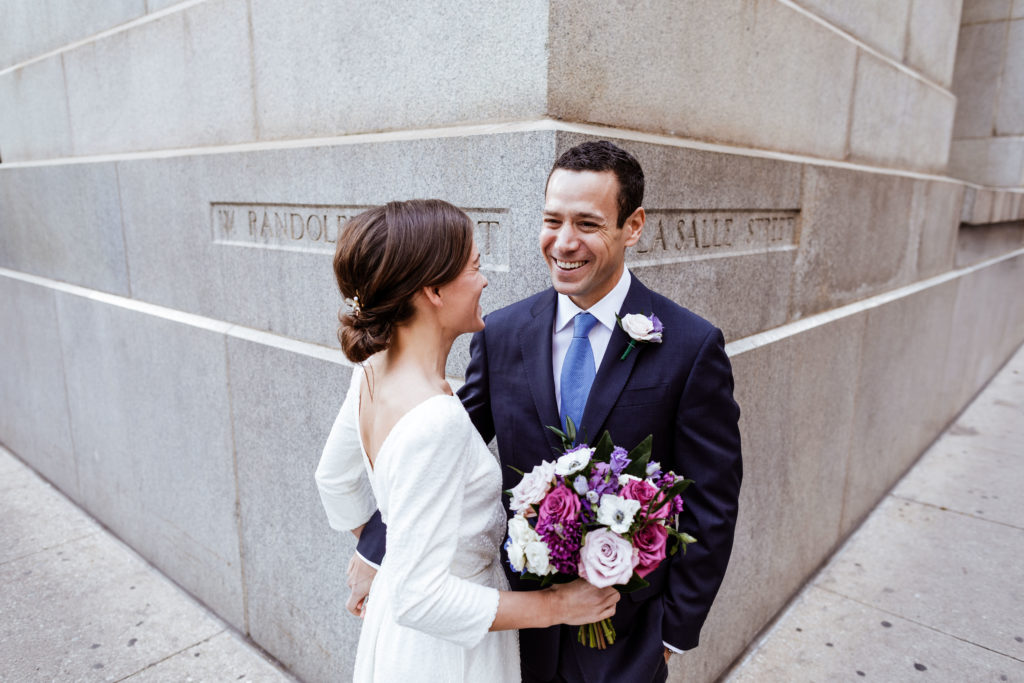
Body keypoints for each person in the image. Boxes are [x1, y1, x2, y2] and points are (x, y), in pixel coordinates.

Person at [351, 143, 743, 682]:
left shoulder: (691, 346)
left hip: (624, 640)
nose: (563, 242)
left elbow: (712, 503)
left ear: (633, 226)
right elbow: (435, 442)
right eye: (552, 220)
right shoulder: (503, 333)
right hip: (515, 630)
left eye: (587, 223)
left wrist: (670, 635)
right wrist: (376, 548)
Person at [315, 199, 621, 683]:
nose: (484, 281)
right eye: (475, 267)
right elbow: (424, 598)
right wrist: (557, 604)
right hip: (448, 654)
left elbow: (333, 480)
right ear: (433, 290)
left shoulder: (372, 372)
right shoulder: (434, 421)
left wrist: (395, 556)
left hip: (398, 632)